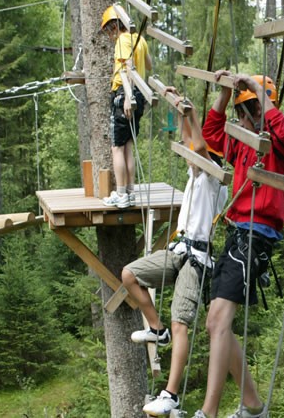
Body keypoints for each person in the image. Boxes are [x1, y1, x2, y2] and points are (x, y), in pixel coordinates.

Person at [197, 71, 284, 418]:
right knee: (215, 324)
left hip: (257, 234)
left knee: (221, 318)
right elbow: (210, 134)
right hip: (237, 231)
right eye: (244, 111)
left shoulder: (279, 142)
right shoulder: (240, 141)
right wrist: (225, 95)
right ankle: (254, 406)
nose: (247, 117)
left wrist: (259, 94)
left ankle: (209, 412)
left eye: (253, 109)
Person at [121, 88, 228, 417]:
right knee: (130, 274)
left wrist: (191, 114)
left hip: (197, 259)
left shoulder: (215, 179)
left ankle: (171, 393)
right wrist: (178, 106)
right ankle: (157, 328)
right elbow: (189, 146)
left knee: (182, 322)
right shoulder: (196, 174)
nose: (191, 159)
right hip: (178, 249)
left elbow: (197, 148)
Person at [101, 4, 151, 209]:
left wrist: (127, 96)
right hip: (138, 94)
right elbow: (149, 65)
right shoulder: (140, 39)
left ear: (115, 25)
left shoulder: (123, 40)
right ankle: (129, 192)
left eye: (109, 29)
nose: (110, 35)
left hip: (125, 93)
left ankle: (121, 194)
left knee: (117, 148)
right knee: (128, 145)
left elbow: (128, 66)